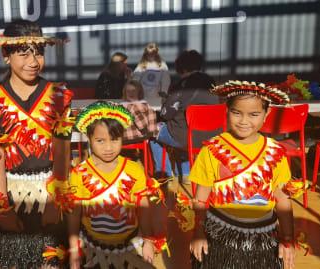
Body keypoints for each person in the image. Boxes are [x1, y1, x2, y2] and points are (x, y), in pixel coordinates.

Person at [0, 20, 74, 268]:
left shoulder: (58, 95)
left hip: (49, 192)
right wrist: (2, 207)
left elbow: (62, 153)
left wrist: (55, 201)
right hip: (9, 190)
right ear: (6, 56)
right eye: (23, 54)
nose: (33, 62)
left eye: (39, 53)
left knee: (50, 261)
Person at [189, 81, 296, 269]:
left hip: (264, 237)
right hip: (219, 235)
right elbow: (201, 196)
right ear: (226, 110)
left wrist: (287, 237)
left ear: (267, 114)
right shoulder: (212, 149)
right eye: (236, 112)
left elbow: (282, 198)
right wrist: (198, 232)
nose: (244, 121)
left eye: (254, 114)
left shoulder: (275, 152)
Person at [67, 101, 166, 269]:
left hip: (129, 247)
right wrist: (74, 248)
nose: (108, 147)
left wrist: (148, 240)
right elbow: (74, 213)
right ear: (88, 138)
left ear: (123, 137)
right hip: (93, 249)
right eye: (100, 140)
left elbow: (143, 207)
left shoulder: (134, 170)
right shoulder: (79, 174)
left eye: (114, 139)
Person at [150, 49, 219, 182]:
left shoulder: (182, 85)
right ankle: (186, 173)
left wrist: (165, 102)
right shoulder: (211, 83)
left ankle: (165, 174)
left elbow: (166, 114)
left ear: (181, 68)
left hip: (186, 136)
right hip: (211, 136)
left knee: (153, 132)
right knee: (183, 128)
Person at [121, 80, 158, 145]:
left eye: (133, 91)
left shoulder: (120, 107)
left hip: (121, 138)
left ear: (139, 92)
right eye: (128, 91)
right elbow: (142, 125)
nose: (131, 93)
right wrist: (152, 135)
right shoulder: (140, 106)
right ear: (125, 93)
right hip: (137, 137)